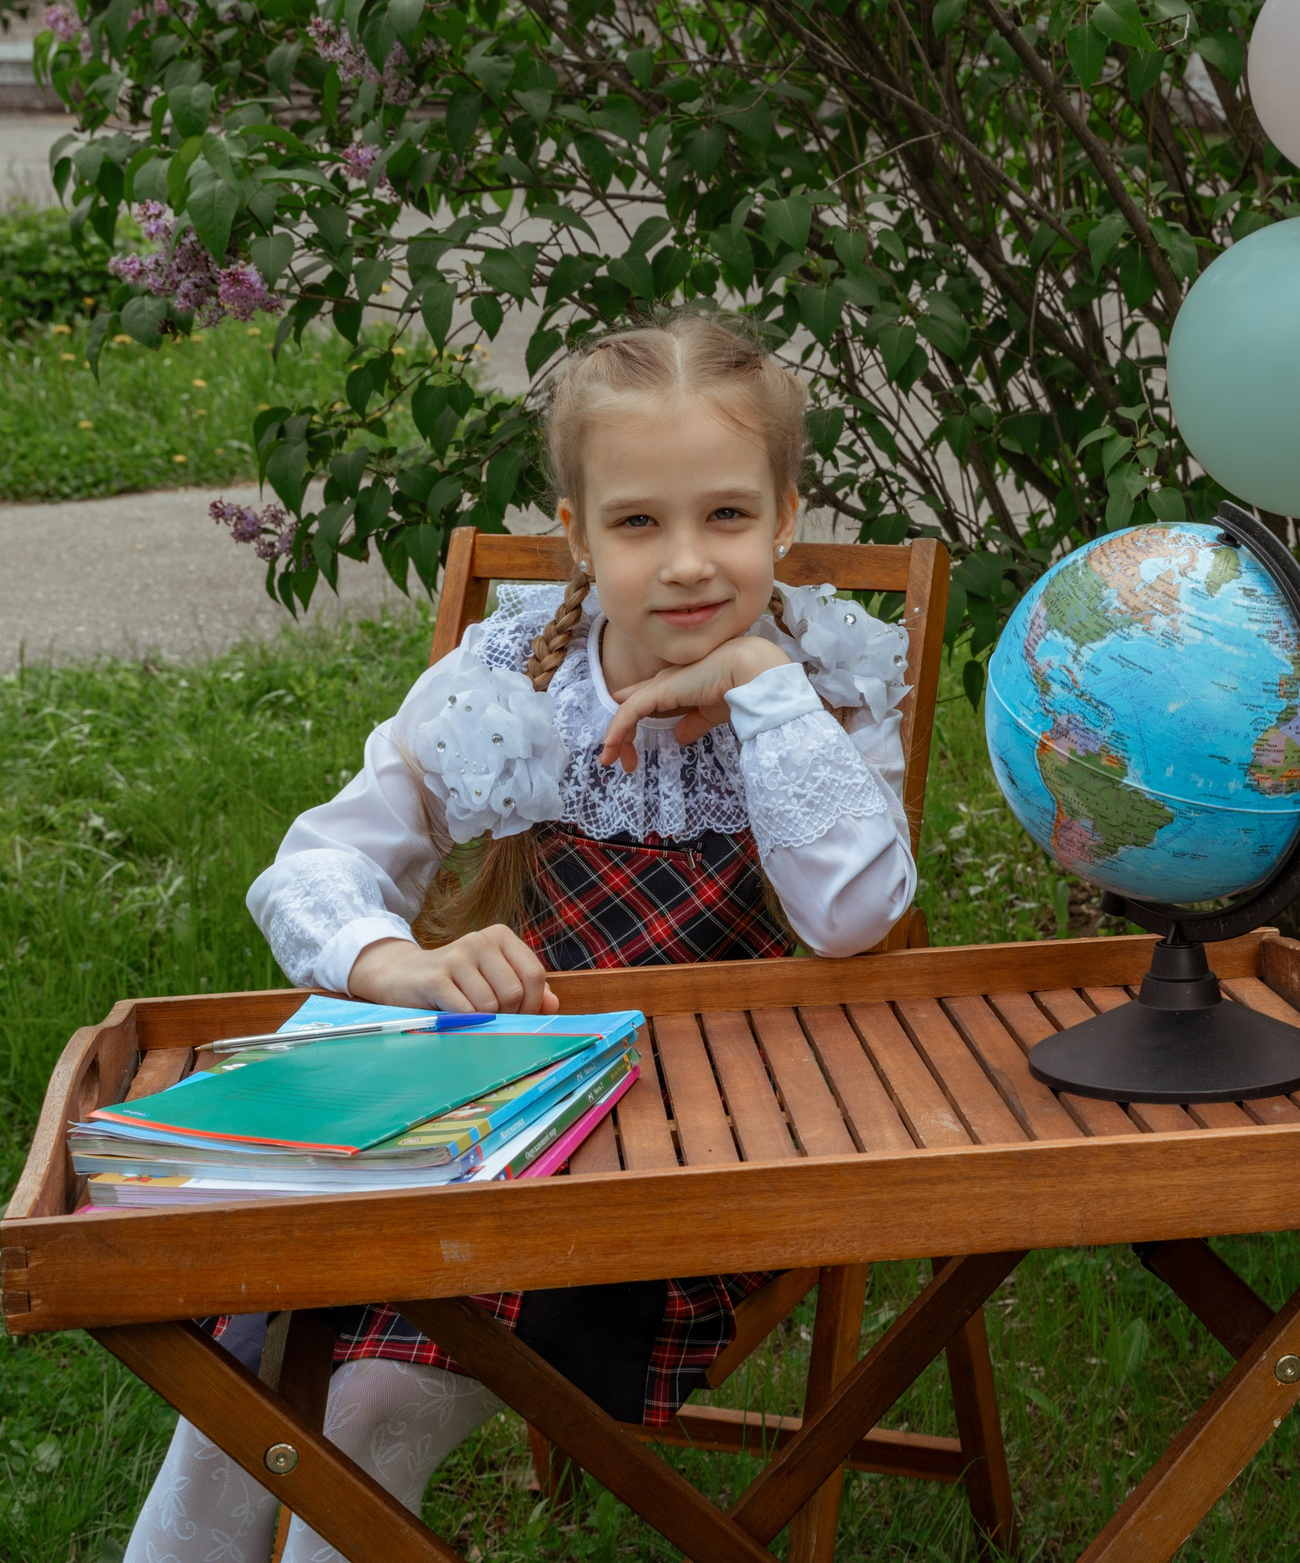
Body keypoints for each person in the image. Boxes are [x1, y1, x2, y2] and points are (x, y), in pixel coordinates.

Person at [123, 315, 918, 1563]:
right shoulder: (513, 681)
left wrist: (761, 689)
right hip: (483, 1126)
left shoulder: (823, 686)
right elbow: (315, 866)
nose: (687, 564)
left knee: (366, 1407)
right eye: (637, 523)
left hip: (696, 1170)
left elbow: (854, 916)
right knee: (243, 1380)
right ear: (577, 535)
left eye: (725, 515)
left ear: (785, 518)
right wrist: (398, 964)